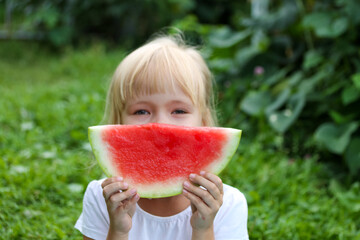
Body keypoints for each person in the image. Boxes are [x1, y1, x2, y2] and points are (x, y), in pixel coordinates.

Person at [75, 34, 249, 240]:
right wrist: (119, 230)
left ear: (203, 123)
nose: (160, 124)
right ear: (119, 123)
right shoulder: (103, 197)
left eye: (179, 111)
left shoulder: (227, 204)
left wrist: (203, 228)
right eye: (141, 112)